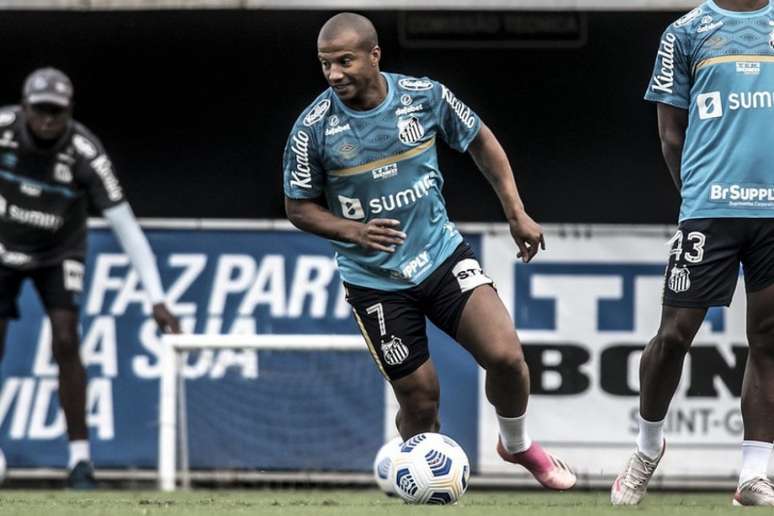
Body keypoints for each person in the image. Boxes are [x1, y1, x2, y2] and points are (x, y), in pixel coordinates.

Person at [282, 13, 575, 490]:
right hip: (375, 282)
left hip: (440, 257)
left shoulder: (424, 97)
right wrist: (353, 231)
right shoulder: (313, 128)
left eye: (344, 61)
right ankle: (414, 480)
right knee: (420, 401)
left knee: (506, 356)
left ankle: (516, 443)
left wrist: (516, 212)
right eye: (325, 65)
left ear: (374, 56)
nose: (334, 74)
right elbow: (298, 207)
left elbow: (481, 140)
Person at [611, 0, 774, 506]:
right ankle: (647, 448)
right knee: (674, 336)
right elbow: (670, 135)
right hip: (709, 210)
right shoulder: (686, 30)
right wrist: (697, 200)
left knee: (768, 338)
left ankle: (755, 474)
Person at [0, 68, 180, 488]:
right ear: (25, 107)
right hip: (3, 246)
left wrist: (157, 298)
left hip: (58, 251)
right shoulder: (2, 129)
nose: (48, 120)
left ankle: (80, 461)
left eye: (56, 112)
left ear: (69, 112)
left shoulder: (85, 152)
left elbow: (126, 228)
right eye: (40, 110)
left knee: (66, 338)